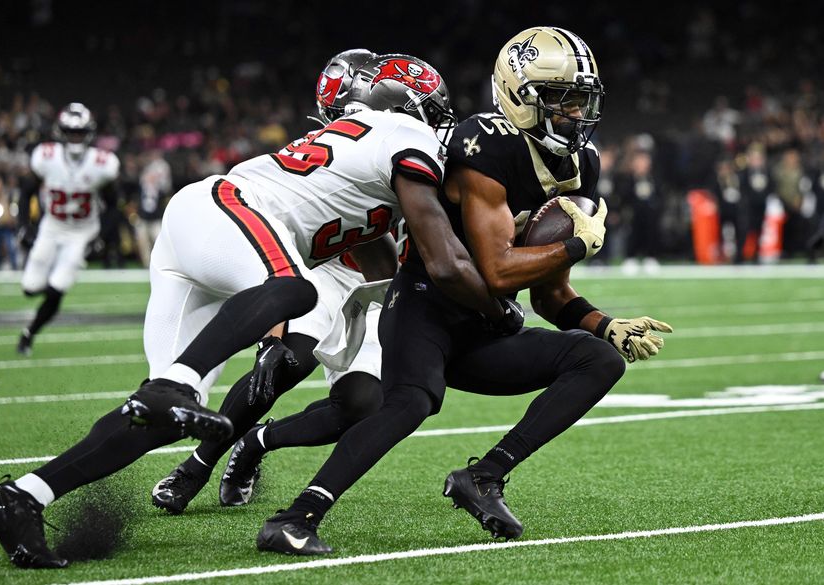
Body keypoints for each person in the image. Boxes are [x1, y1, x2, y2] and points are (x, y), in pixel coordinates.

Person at [0, 54, 519, 569]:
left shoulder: (365, 146)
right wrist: (497, 305)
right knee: (294, 289)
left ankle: (22, 497)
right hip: (229, 212)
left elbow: (382, 260)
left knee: (155, 419)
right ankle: (179, 383)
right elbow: (442, 262)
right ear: (423, 109)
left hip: (196, 237)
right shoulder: (411, 137)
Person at [256, 27, 673, 556]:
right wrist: (573, 246)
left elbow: (548, 294)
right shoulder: (487, 143)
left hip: (485, 324)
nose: (575, 113)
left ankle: (485, 476)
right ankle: (295, 518)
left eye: (582, 100)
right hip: (427, 305)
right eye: (562, 99)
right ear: (521, 97)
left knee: (598, 360)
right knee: (409, 402)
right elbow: (497, 272)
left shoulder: (580, 164)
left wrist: (604, 324)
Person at [149, 48, 403, 514]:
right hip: (321, 269)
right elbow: (287, 237)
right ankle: (197, 464)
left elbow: (388, 252)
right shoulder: (340, 155)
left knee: (361, 403)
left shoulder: (420, 151)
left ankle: (255, 443)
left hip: (379, 287)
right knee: (286, 362)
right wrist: (274, 327)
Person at [15, 103, 121, 355]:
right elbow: (26, 192)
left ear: (89, 133)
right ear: (60, 132)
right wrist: (23, 226)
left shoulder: (101, 164)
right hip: (52, 226)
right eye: (71, 132)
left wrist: (100, 238)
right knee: (30, 288)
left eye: (80, 132)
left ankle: (29, 334)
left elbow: (114, 206)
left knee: (56, 288)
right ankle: (49, 283)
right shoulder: (46, 158)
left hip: (81, 232)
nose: (76, 137)